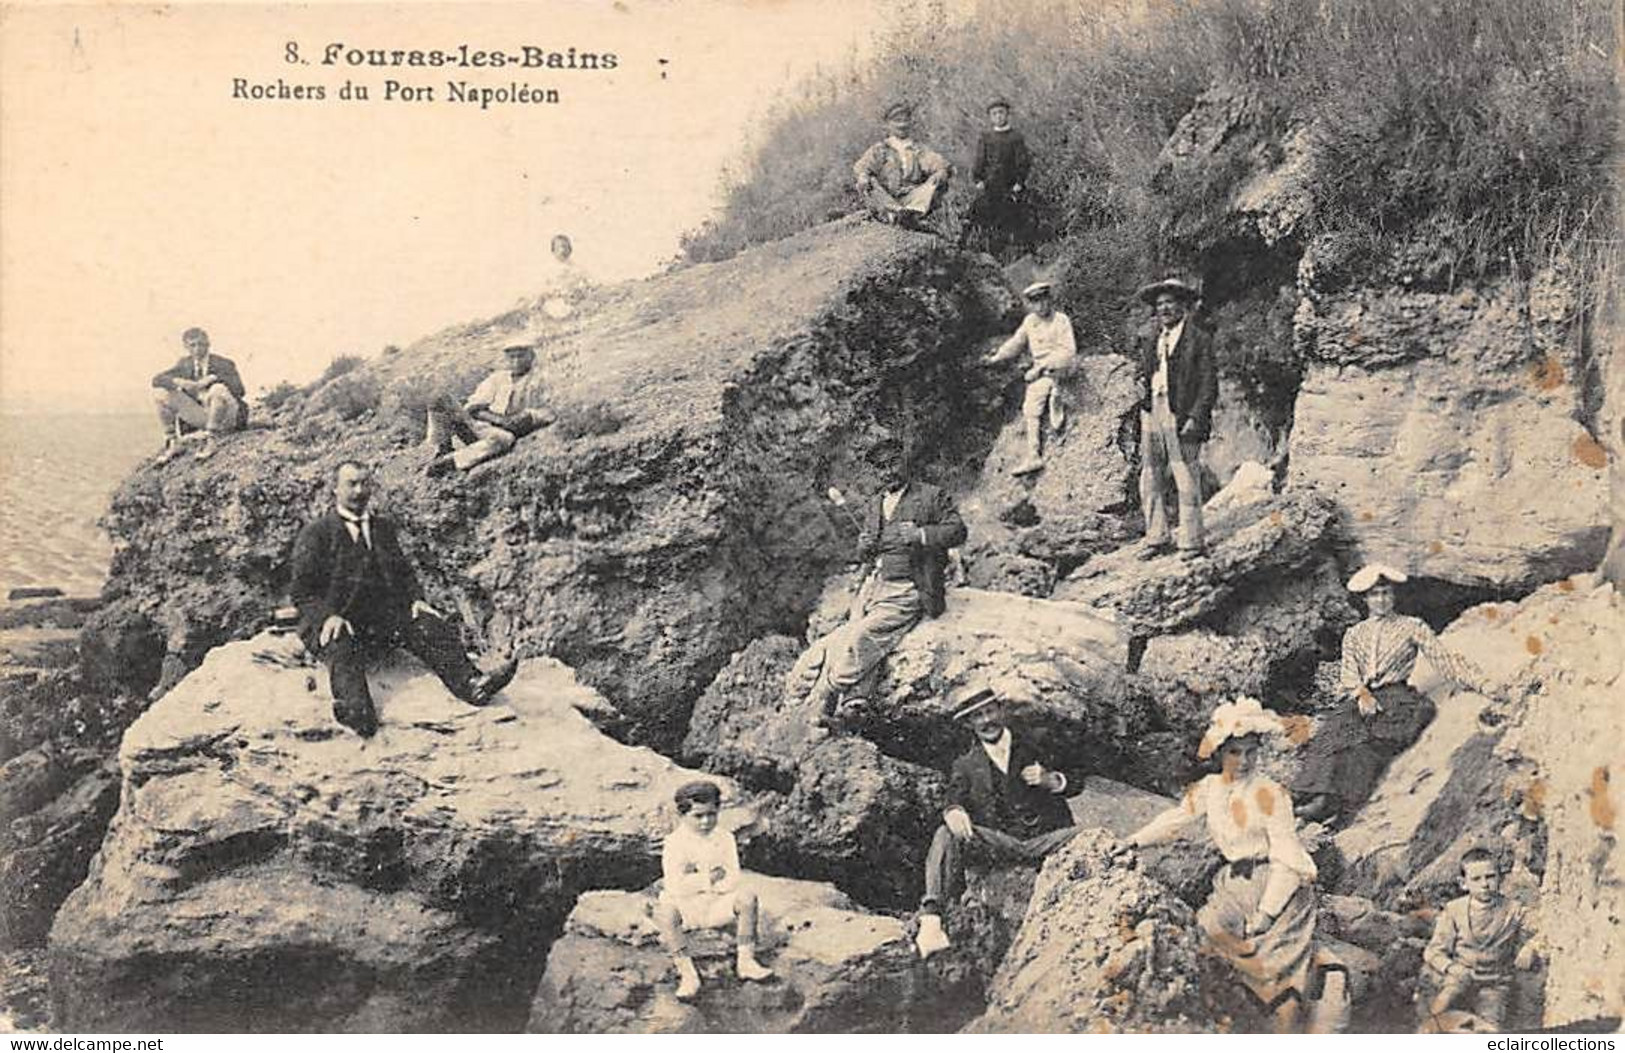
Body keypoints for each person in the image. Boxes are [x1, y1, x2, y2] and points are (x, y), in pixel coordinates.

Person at [1130, 697, 1348, 1033]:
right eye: (1235, 752)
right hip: (1232, 884)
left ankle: (1301, 1007)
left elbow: (1286, 855)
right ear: (1219, 753)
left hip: (1278, 885)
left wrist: (1268, 913)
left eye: (1251, 751)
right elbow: (1176, 819)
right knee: (1202, 946)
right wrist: (1134, 841)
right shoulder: (1209, 788)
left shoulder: (1271, 793)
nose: (1244, 761)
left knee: (1276, 976)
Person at [290, 461, 517, 737]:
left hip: (379, 622)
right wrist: (327, 616)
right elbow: (302, 591)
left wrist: (416, 599)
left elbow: (403, 573)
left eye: (365, 483)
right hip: (337, 623)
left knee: (429, 625)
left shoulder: (382, 528)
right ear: (335, 489)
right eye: (351, 484)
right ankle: (356, 713)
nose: (359, 491)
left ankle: (471, 684)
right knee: (341, 647)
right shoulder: (317, 533)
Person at [1293, 564, 1506, 823]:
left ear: (1393, 596)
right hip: (1363, 696)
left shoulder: (1411, 626)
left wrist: (1484, 684)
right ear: (1365, 599)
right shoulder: (1355, 634)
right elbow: (1349, 674)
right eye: (1374, 595)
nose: (1380, 600)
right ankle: (1310, 795)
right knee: (1332, 730)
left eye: (1385, 593)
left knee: (1367, 743)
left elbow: (1445, 661)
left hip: (1397, 698)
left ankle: (1339, 806)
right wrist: (1361, 694)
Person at [800, 437, 967, 727]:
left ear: (904, 464)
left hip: (910, 586)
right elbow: (866, 552)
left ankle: (829, 692)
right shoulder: (875, 504)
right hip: (875, 585)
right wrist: (864, 546)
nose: (887, 472)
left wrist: (921, 535)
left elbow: (958, 531)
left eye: (892, 464)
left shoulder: (931, 496)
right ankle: (856, 702)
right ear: (874, 473)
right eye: (880, 468)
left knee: (864, 633)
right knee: (853, 632)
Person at [915, 681, 1083, 959]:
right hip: (1002, 844)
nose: (986, 720)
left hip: (1048, 840)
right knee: (945, 834)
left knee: (1094, 833)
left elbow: (1078, 779)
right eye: (978, 716)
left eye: (990, 711)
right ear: (969, 724)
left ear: (1001, 710)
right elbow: (952, 797)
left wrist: (1051, 780)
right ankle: (931, 922)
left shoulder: (1036, 742)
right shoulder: (965, 764)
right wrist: (954, 811)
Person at [655, 780, 776, 1001]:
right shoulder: (674, 843)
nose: (706, 821)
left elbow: (732, 878)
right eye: (698, 816)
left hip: (717, 902)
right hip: (687, 906)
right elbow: (674, 885)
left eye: (711, 814)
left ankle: (746, 960)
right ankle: (687, 973)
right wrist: (707, 878)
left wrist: (699, 880)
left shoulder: (725, 838)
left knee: (747, 898)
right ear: (683, 815)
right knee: (666, 912)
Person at [1133, 278, 1217, 555]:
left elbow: (1208, 384)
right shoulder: (1152, 338)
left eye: (1170, 302)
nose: (1164, 308)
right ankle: (1157, 536)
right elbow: (1143, 371)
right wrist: (1140, 386)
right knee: (1149, 474)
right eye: (1160, 305)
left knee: (1185, 475)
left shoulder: (1198, 339)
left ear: (1182, 306)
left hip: (1180, 413)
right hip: (1153, 410)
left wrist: (1195, 416)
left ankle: (1192, 541)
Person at [1420, 846, 1542, 1031]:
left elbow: (1546, 927)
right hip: (1460, 978)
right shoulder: (1454, 910)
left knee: (1490, 1027)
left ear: (1500, 878)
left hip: (1495, 983)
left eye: (1490, 876)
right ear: (1463, 883)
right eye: (1476, 879)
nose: (1484, 884)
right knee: (1438, 1015)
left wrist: (1531, 946)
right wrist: (1452, 967)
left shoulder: (1513, 910)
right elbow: (1433, 951)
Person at [983, 281, 1076, 475]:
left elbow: (1068, 351)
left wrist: (1041, 367)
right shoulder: (1030, 322)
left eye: (1043, 301)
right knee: (1031, 404)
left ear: (1049, 300)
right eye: (1036, 303)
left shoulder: (1061, 320)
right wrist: (996, 357)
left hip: (1060, 365)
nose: (1041, 306)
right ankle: (1033, 455)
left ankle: (1057, 397)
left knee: (1055, 368)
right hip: (1042, 374)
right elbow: (1016, 343)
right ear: (1031, 305)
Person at [424, 344, 554, 477]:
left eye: (521, 356)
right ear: (506, 359)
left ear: (531, 356)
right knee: (439, 397)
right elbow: (473, 407)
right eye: (512, 357)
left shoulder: (540, 379)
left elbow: (547, 412)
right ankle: (443, 449)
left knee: (503, 439)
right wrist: (498, 419)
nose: (516, 362)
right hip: (478, 426)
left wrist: (528, 417)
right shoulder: (497, 379)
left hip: (500, 433)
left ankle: (450, 463)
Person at [151, 327, 247, 462]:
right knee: (160, 393)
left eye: (201, 344)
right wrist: (179, 381)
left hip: (228, 415)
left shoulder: (223, 363)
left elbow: (240, 390)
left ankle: (212, 440)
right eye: (193, 345)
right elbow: (156, 379)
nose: (198, 349)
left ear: (208, 344)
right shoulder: (185, 364)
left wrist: (213, 378)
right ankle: (173, 442)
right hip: (204, 416)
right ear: (186, 347)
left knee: (217, 389)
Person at [852, 103, 953, 229]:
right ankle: (893, 213)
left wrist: (941, 171)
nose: (902, 125)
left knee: (936, 182)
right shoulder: (881, 149)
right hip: (886, 197)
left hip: (912, 196)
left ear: (911, 123)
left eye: (905, 120)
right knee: (869, 183)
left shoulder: (918, 148)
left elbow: (936, 162)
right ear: (887, 124)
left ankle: (911, 214)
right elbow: (863, 166)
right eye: (897, 121)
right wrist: (863, 176)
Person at [962, 98, 1033, 256]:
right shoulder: (986, 137)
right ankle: (984, 247)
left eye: (1001, 112)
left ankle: (1017, 247)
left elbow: (1023, 161)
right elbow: (980, 159)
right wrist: (978, 179)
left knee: (1013, 214)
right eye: (994, 114)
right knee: (983, 212)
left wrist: (1019, 182)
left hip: (1010, 183)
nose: (998, 116)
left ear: (1007, 114)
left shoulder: (1015, 137)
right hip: (990, 183)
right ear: (990, 117)